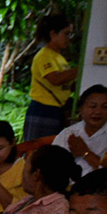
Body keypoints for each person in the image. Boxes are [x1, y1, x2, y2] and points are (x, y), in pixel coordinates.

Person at [25, 13, 77, 141]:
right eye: (66, 34)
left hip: (56, 111)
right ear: (53, 34)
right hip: (43, 110)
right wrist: (82, 69)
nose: (69, 38)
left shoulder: (59, 58)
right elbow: (55, 79)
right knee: (37, 148)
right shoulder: (44, 55)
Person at [53, 84, 107, 175]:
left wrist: (85, 153)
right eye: (93, 106)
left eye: (105, 107)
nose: (98, 112)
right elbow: (51, 167)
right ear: (81, 109)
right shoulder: (68, 134)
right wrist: (69, 157)